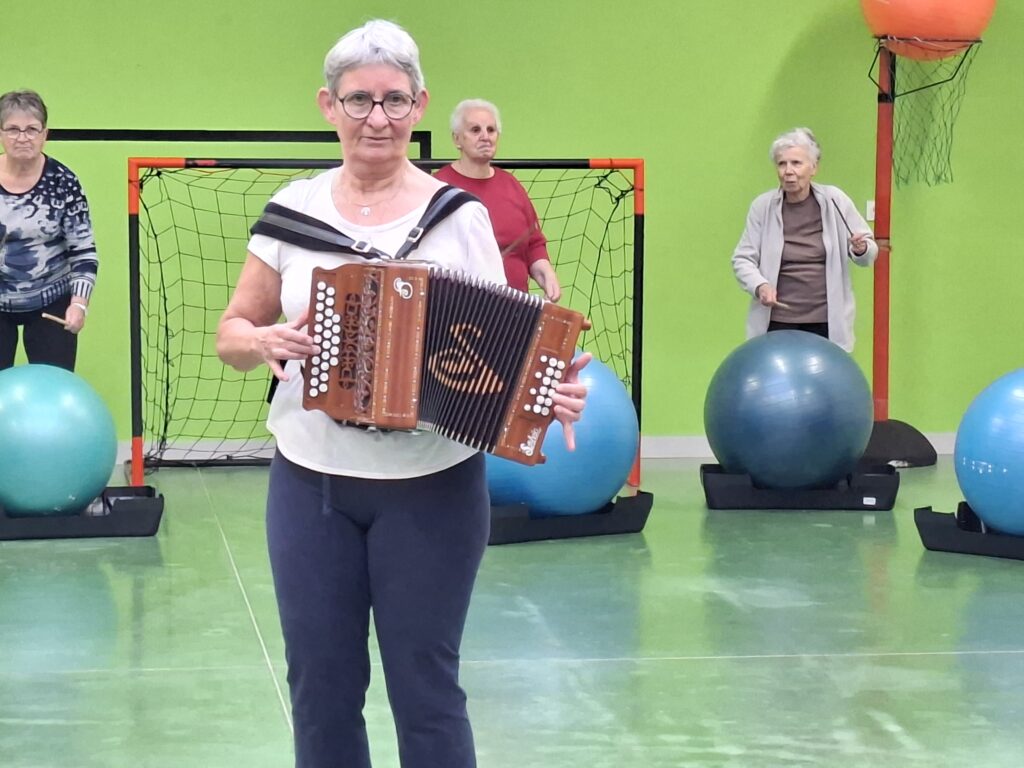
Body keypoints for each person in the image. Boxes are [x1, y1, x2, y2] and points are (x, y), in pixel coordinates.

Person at [215, 20, 590, 768]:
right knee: (320, 688)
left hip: (433, 487)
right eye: (358, 100)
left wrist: (545, 391)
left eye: (393, 100)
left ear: (419, 106)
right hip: (312, 483)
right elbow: (232, 333)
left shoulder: (460, 218)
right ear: (328, 105)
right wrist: (260, 343)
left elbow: (500, 344)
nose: (377, 118)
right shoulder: (292, 212)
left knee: (426, 690)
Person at [731, 127, 877, 352]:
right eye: (782, 164)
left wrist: (861, 248)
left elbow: (868, 253)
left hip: (826, 322)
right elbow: (742, 259)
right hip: (777, 322)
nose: (788, 171)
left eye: (796, 163)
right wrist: (760, 285)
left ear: (814, 168)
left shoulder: (835, 200)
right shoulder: (762, 206)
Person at [0, 90, 97, 371]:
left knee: (54, 382)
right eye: (13, 129)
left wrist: (79, 305)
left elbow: (84, 252)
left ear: (45, 134)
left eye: (32, 129)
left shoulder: (64, 182)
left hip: (51, 299)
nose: (22, 137)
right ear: (1, 134)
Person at [435, 99, 561, 302]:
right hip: (458, 310)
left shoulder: (511, 185)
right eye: (475, 130)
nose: (485, 137)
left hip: (515, 310)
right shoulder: (438, 187)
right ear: (457, 139)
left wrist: (547, 274)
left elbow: (533, 243)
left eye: (491, 130)